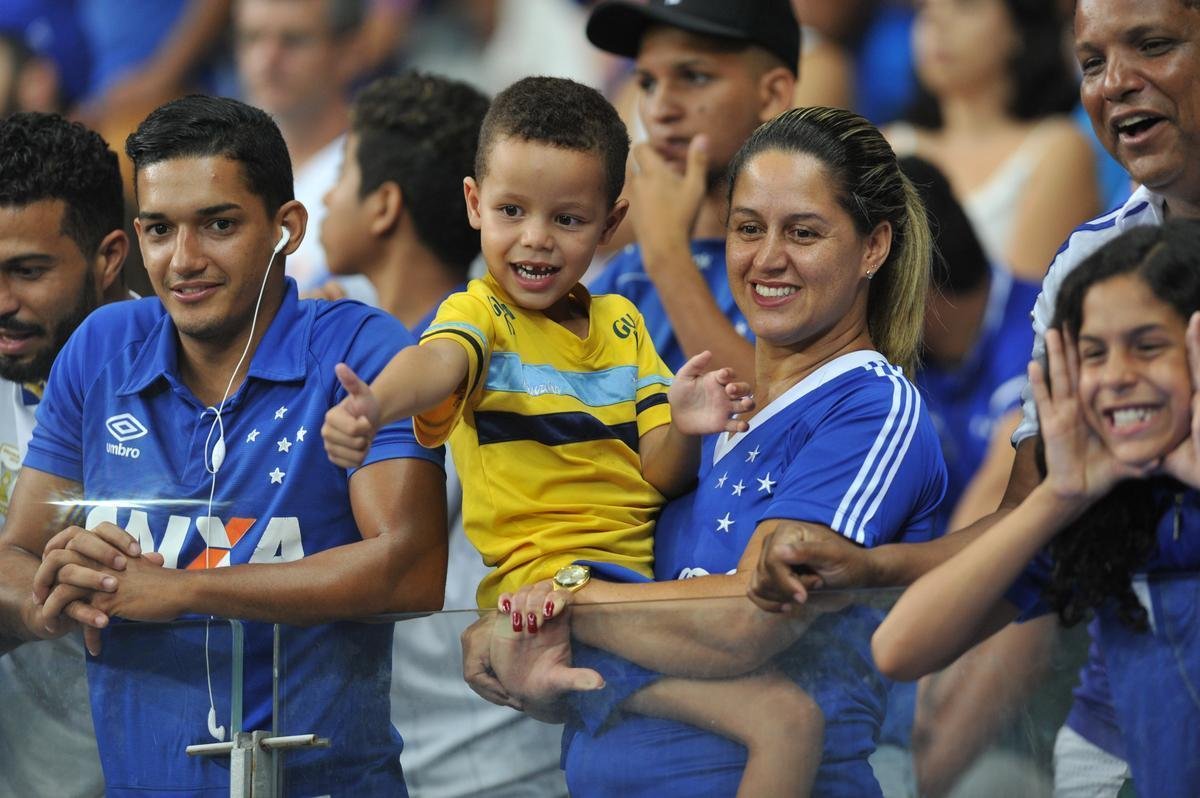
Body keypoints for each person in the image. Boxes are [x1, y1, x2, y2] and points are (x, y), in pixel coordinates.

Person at [322, 75, 829, 797]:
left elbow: (658, 472)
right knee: (784, 719)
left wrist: (685, 427)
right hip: (557, 592)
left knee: (771, 714)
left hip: (632, 591)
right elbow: (436, 362)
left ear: (610, 221)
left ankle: (565, 682)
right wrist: (377, 403)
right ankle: (556, 673)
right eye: (510, 211)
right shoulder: (482, 314)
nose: (535, 238)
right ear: (474, 204)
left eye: (567, 219)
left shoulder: (624, 326)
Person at [752, 2, 1200, 794]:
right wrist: (873, 566)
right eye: (1091, 64)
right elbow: (1028, 523)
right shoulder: (1087, 263)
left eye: (1154, 46)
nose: (1117, 84)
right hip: (1118, 738)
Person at [469, 105, 947, 797]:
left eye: (803, 232)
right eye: (748, 228)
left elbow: (744, 624)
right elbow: (602, 654)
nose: (767, 257)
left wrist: (557, 599)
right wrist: (505, 628)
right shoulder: (701, 418)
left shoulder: (871, 405)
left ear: (874, 246)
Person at [0, 95, 448, 795]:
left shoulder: (360, 349)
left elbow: (410, 569)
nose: (183, 260)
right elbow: (18, 553)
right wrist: (51, 598)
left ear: (286, 229)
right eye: (158, 229)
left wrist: (182, 591)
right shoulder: (101, 347)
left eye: (218, 225)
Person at [873, 219, 1200, 797]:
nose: (1118, 377)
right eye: (1093, 354)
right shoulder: (1099, 510)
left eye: (1148, 347)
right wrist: (1056, 497)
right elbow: (899, 647)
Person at [320, 70, 570, 797]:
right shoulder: (363, 348)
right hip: (418, 752)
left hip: (493, 761)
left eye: (342, 174)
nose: (329, 196)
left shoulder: (497, 362)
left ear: (384, 206)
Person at [0, 111, 132, 798]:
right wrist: (38, 595)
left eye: (27, 271)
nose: (1, 302)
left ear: (109, 257)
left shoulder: (202, 373)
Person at [583, 0, 797, 373]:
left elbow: (788, 417)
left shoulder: (816, 261)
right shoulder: (632, 271)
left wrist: (667, 255)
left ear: (772, 96)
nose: (660, 109)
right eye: (647, 83)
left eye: (694, 77)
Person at [887, 0, 1098, 282]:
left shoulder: (1057, 148)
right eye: (926, 9)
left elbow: (1025, 305)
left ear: (1019, 27)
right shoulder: (886, 145)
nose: (936, 23)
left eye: (966, 7)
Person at [234, 0, 373, 298]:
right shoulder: (220, 165)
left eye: (294, 40)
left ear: (348, 52)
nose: (267, 59)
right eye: (252, 37)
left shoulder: (375, 170)